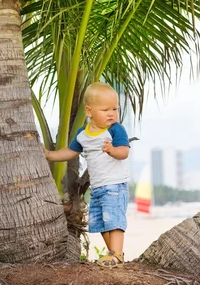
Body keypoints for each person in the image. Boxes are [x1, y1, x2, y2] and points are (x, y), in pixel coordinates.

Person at [43, 81, 130, 268]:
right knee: (101, 223)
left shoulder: (115, 129)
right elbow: (70, 152)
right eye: (105, 109)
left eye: (114, 109)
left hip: (115, 185)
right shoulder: (83, 134)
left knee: (114, 221)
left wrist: (112, 150)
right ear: (89, 112)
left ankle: (117, 255)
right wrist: (50, 155)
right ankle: (114, 256)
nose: (111, 113)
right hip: (98, 188)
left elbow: (124, 152)